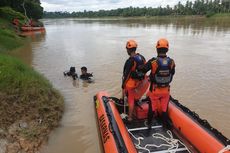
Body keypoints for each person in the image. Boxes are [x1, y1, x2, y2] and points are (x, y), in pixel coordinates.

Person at [140, 38, 175, 128]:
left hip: (155, 90)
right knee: (164, 109)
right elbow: (172, 73)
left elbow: (143, 69)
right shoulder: (171, 62)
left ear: (157, 49)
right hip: (166, 91)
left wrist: (140, 66)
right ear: (167, 49)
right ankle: (164, 125)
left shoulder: (153, 61)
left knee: (152, 108)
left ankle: (149, 124)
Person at [122, 40, 149, 122]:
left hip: (132, 85)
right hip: (141, 83)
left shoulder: (130, 61)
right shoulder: (142, 57)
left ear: (128, 50)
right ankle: (136, 101)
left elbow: (126, 75)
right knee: (134, 97)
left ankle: (130, 117)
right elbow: (145, 69)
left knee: (130, 100)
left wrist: (123, 85)